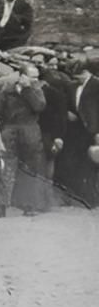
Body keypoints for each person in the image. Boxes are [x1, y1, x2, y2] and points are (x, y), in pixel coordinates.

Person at [0, 64, 47, 216]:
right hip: (10, 130)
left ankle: (29, 205)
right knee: (5, 167)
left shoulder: (36, 90)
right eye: (32, 76)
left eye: (37, 76)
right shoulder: (7, 90)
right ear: (22, 76)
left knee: (30, 168)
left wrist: (27, 89)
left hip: (30, 131)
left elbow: (39, 107)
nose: (35, 79)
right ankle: (0, 205)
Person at [59, 59, 99, 207]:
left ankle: (92, 198)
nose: (76, 79)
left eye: (78, 76)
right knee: (76, 161)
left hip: (93, 129)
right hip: (75, 129)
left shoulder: (97, 85)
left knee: (92, 164)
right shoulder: (72, 86)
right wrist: (67, 113)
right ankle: (78, 196)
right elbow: (66, 103)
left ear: (86, 72)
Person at [38, 63, 68, 211]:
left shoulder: (51, 94)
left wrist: (58, 136)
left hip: (45, 133)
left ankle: (44, 200)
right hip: (49, 133)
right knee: (48, 165)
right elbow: (62, 117)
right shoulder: (58, 94)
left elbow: (60, 117)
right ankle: (46, 199)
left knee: (44, 165)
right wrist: (59, 136)